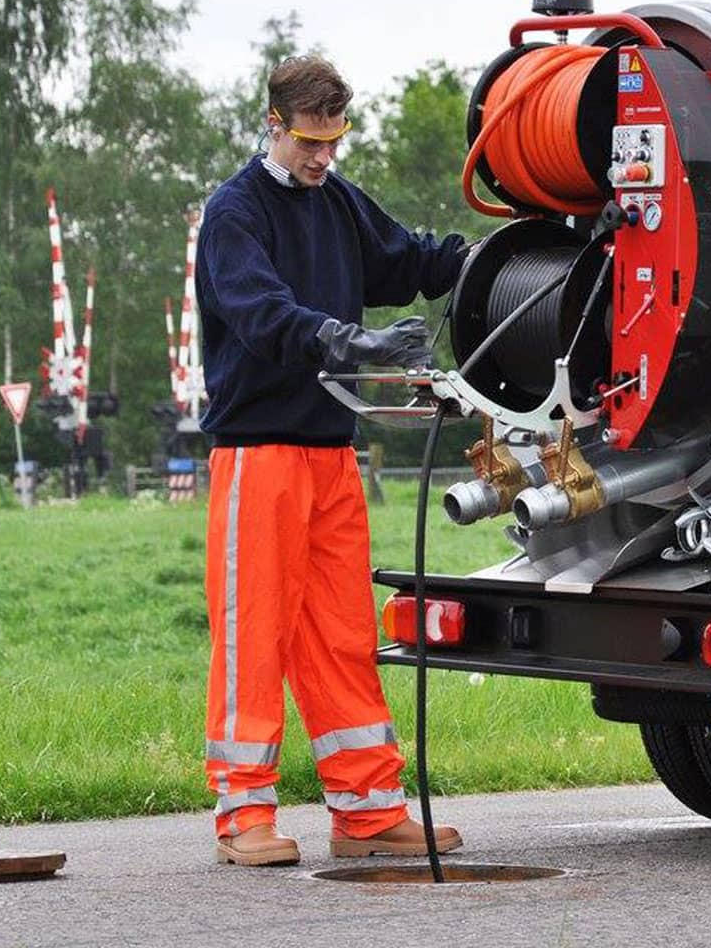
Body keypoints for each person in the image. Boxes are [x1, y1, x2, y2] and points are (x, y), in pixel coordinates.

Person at [195, 55, 467, 866]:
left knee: (343, 634)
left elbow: (406, 258)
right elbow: (262, 314)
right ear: (274, 125)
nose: (324, 158)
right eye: (311, 142)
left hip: (329, 454)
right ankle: (243, 815)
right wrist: (348, 340)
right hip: (258, 454)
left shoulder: (337, 200)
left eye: (335, 141)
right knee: (255, 634)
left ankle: (368, 810)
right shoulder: (234, 214)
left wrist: (495, 252)